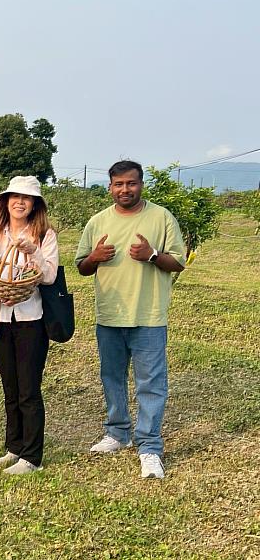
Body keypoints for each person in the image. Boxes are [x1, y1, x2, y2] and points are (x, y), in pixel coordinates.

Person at [75, 160, 185, 479]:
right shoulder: (97, 221)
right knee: (112, 377)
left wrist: (152, 255)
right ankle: (118, 432)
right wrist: (94, 258)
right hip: (109, 315)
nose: (125, 189)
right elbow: (82, 266)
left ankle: (149, 447)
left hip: (148, 314)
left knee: (151, 383)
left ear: (141, 184)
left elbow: (177, 263)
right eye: (119, 184)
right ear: (110, 187)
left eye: (131, 183)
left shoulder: (161, 217)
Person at [0, 176, 58, 475]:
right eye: (15, 197)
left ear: (35, 204)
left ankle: (32, 457)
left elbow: (48, 277)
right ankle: (14, 446)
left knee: (29, 390)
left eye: (27, 198)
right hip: (0, 319)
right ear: (5, 202)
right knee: (10, 388)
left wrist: (31, 251)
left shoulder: (44, 235)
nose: (20, 202)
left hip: (31, 321)